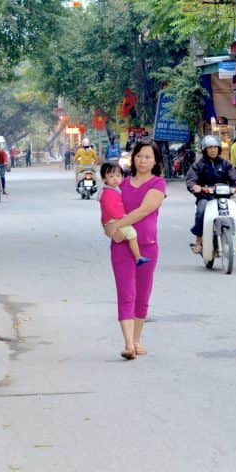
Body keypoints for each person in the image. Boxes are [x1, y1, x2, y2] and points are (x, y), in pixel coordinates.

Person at [103, 142, 167, 360]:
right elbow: (108, 211)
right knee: (126, 293)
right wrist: (110, 230)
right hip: (121, 246)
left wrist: (119, 225)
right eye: (139, 156)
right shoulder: (121, 184)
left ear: (155, 160)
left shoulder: (158, 184)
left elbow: (145, 210)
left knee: (142, 294)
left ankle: (137, 339)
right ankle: (129, 343)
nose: (142, 161)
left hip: (147, 245)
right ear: (133, 158)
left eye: (148, 157)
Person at [185, 135, 236, 254]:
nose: (213, 150)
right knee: (201, 210)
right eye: (209, 148)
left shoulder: (225, 164)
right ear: (205, 150)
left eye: (215, 147)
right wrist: (195, 187)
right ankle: (198, 240)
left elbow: (235, 176)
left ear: (219, 149)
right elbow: (191, 179)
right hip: (205, 197)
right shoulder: (199, 165)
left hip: (223, 198)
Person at [99, 162, 150, 268]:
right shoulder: (107, 192)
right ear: (104, 178)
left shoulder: (115, 190)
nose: (115, 179)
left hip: (115, 220)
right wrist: (122, 217)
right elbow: (109, 209)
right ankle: (138, 257)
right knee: (132, 233)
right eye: (111, 176)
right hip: (113, 220)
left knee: (126, 235)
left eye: (118, 176)